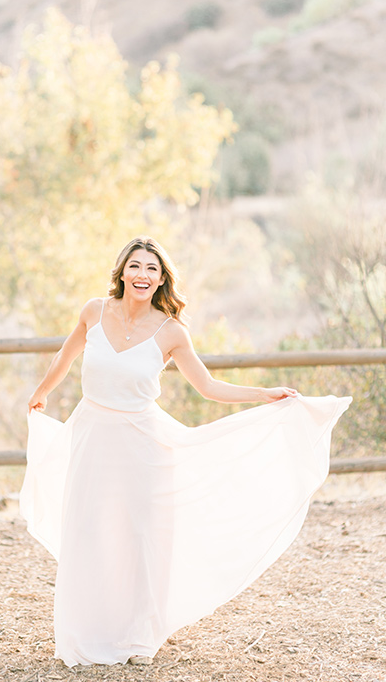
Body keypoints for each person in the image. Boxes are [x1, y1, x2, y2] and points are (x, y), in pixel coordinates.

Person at [20, 236, 351, 668]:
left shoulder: (171, 331)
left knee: (138, 537)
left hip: (142, 445)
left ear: (162, 279)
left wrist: (263, 393)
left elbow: (209, 387)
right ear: (122, 272)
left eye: (152, 269)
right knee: (87, 530)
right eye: (135, 266)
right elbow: (66, 356)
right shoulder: (93, 310)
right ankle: (84, 634)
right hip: (91, 435)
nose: (142, 275)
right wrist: (41, 393)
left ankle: (138, 637)